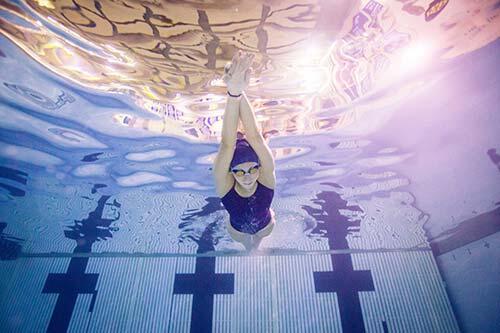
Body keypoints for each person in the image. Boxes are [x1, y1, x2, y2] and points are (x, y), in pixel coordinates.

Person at [213, 51, 276, 251]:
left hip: (265, 226)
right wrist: (235, 92)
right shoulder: (225, 184)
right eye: (240, 171)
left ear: (259, 167)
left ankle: (255, 246)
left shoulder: (266, 178)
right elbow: (227, 145)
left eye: (252, 169)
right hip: (237, 230)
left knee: (259, 240)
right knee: (246, 245)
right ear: (232, 172)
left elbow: (256, 138)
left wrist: (237, 92)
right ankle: (251, 248)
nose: (248, 177)